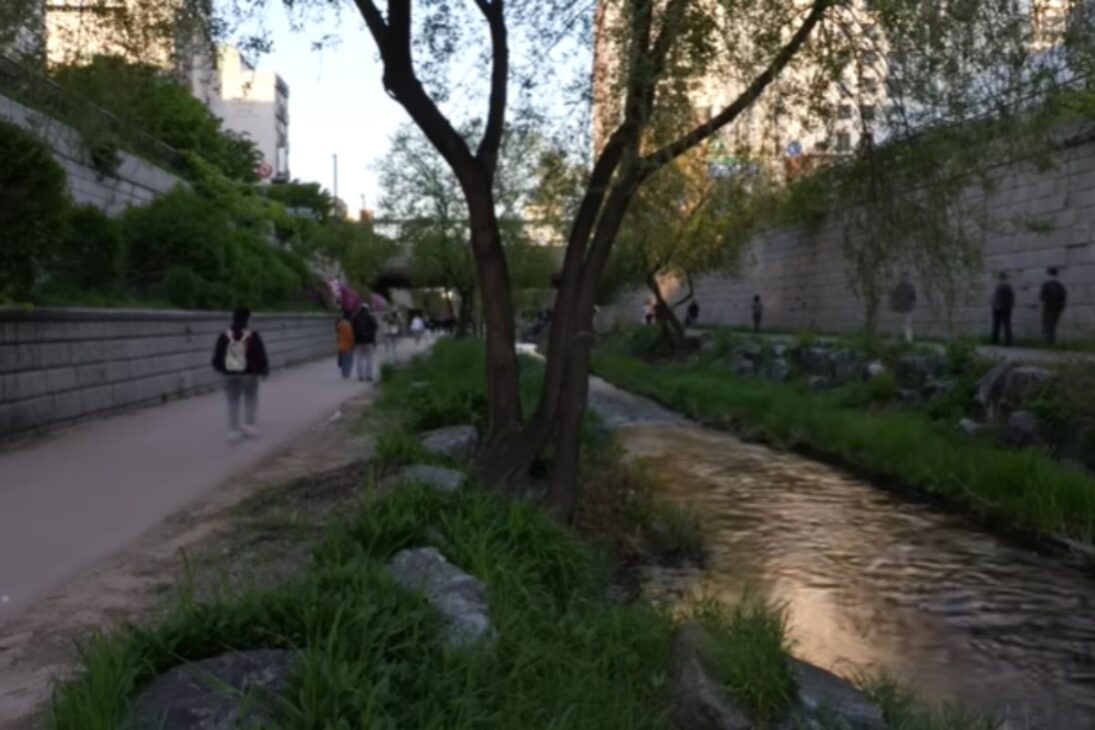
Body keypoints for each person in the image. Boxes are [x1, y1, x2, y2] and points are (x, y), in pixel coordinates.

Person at [211, 307, 269, 442]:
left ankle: (233, 431)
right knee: (250, 398)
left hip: (230, 373)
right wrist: (263, 370)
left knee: (233, 401)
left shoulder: (225, 335)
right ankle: (249, 426)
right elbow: (260, 354)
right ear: (248, 319)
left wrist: (219, 368)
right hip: (249, 374)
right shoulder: (253, 335)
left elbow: (218, 354)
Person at [351, 303, 378, 382]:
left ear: (360, 309)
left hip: (358, 341)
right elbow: (375, 328)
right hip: (369, 340)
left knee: (359, 358)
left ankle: (360, 376)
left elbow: (352, 328)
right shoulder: (371, 317)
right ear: (368, 309)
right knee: (369, 358)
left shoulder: (355, 317)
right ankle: (369, 376)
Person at [1040, 267, 1067, 346]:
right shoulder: (1060, 286)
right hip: (1057, 309)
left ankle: (1049, 342)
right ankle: (1052, 341)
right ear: (1056, 275)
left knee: (1048, 325)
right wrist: (1061, 307)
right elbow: (1063, 298)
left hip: (1048, 308)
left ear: (1049, 275)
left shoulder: (1046, 285)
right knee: (1053, 325)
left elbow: (1042, 297)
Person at [890, 272, 917, 343]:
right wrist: (893, 307)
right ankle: (894, 341)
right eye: (904, 278)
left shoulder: (911, 287)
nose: (905, 279)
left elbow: (913, 299)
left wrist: (912, 307)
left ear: (909, 278)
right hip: (897, 310)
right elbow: (893, 298)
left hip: (907, 311)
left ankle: (908, 342)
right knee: (896, 327)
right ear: (901, 278)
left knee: (908, 327)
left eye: (907, 278)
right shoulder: (897, 287)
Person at [991, 271, 1015, 346]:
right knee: (996, 325)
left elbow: (1011, 299)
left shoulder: (1007, 288)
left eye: (1002, 278)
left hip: (1005, 309)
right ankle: (994, 340)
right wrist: (994, 305)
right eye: (1001, 278)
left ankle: (1008, 341)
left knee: (1006, 325)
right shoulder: (998, 287)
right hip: (997, 308)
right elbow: (995, 298)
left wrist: (1007, 307)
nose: (1001, 280)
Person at [336, 310, 354, 379]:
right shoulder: (348, 324)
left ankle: (343, 373)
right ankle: (347, 374)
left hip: (341, 344)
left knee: (343, 360)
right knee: (349, 360)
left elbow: (338, 334)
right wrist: (352, 343)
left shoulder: (340, 324)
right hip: (348, 344)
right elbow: (349, 336)